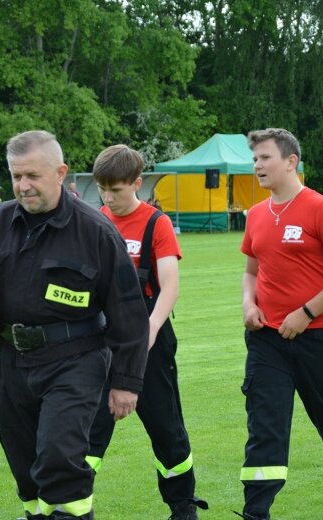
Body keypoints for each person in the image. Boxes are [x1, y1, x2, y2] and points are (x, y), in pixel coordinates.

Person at [0, 131, 150, 520]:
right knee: (25, 468)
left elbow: (128, 312)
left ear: (60, 173)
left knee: (59, 456)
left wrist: (126, 383)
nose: (23, 186)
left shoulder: (96, 232)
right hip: (13, 362)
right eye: (16, 176)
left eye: (33, 176)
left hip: (76, 359)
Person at [237, 128, 323, 520]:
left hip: (320, 340)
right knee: (265, 428)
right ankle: (255, 513)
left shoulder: (319, 208)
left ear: (291, 161)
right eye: (255, 159)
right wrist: (249, 305)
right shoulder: (256, 214)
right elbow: (251, 271)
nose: (257, 166)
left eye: (265, 158)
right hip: (267, 341)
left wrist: (307, 312)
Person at [87, 144, 207, 520]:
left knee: (166, 427)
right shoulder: (93, 222)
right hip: (100, 341)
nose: (109, 198)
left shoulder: (157, 223)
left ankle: (183, 507)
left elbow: (170, 283)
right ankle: (68, 505)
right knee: (88, 430)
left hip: (151, 343)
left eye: (117, 190)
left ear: (137, 183)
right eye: (103, 190)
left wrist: (150, 328)